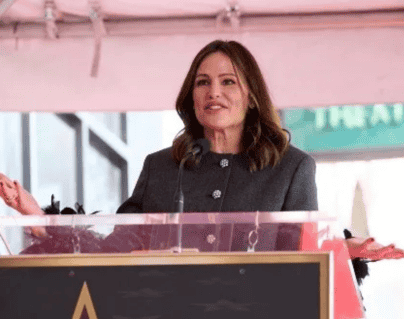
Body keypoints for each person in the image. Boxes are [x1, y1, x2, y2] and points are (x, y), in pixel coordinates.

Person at [0, 40, 402, 261]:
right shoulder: (161, 167)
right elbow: (114, 248)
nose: (214, 92)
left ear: (251, 96)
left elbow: (304, 251)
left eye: (228, 82)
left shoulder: (292, 168)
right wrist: (39, 217)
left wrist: (343, 250)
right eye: (202, 82)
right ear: (190, 96)